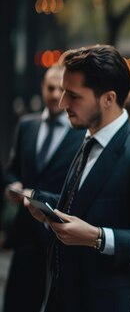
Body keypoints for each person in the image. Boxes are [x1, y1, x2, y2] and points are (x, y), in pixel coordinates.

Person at [24, 45, 130, 312]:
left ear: (108, 98)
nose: (62, 103)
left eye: (73, 95)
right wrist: (48, 209)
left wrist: (98, 237)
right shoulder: (86, 138)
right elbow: (86, 204)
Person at [2, 65, 85, 312]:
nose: (54, 95)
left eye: (60, 89)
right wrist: (12, 184)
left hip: (60, 236)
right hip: (25, 234)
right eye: (50, 88)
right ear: (42, 87)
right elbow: (11, 168)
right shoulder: (27, 125)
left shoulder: (82, 134)